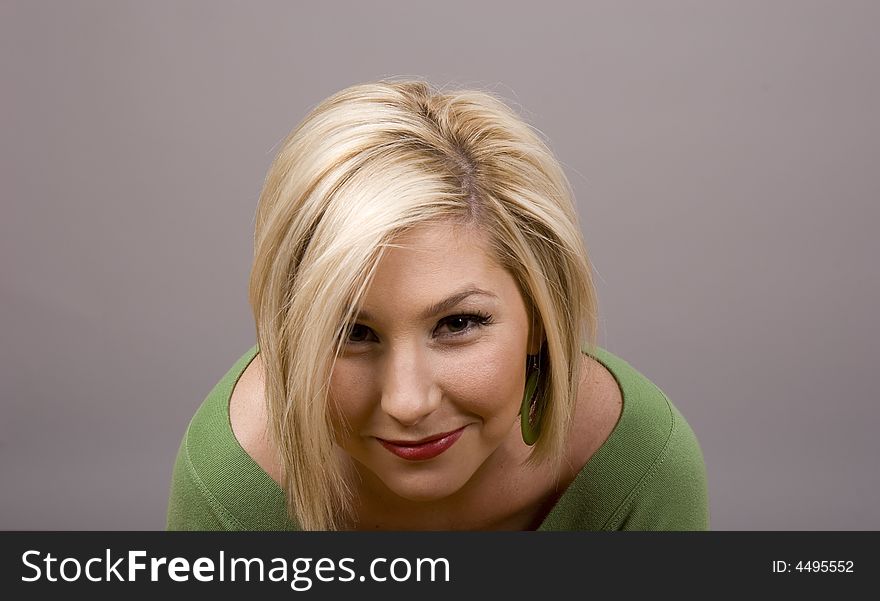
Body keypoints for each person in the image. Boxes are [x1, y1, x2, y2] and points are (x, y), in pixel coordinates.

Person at [165, 80, 710, 531]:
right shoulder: (231, 485)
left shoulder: (639, 465)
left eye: (458, 324)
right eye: (351, 333)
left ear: (541, 319)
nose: (407, 402)